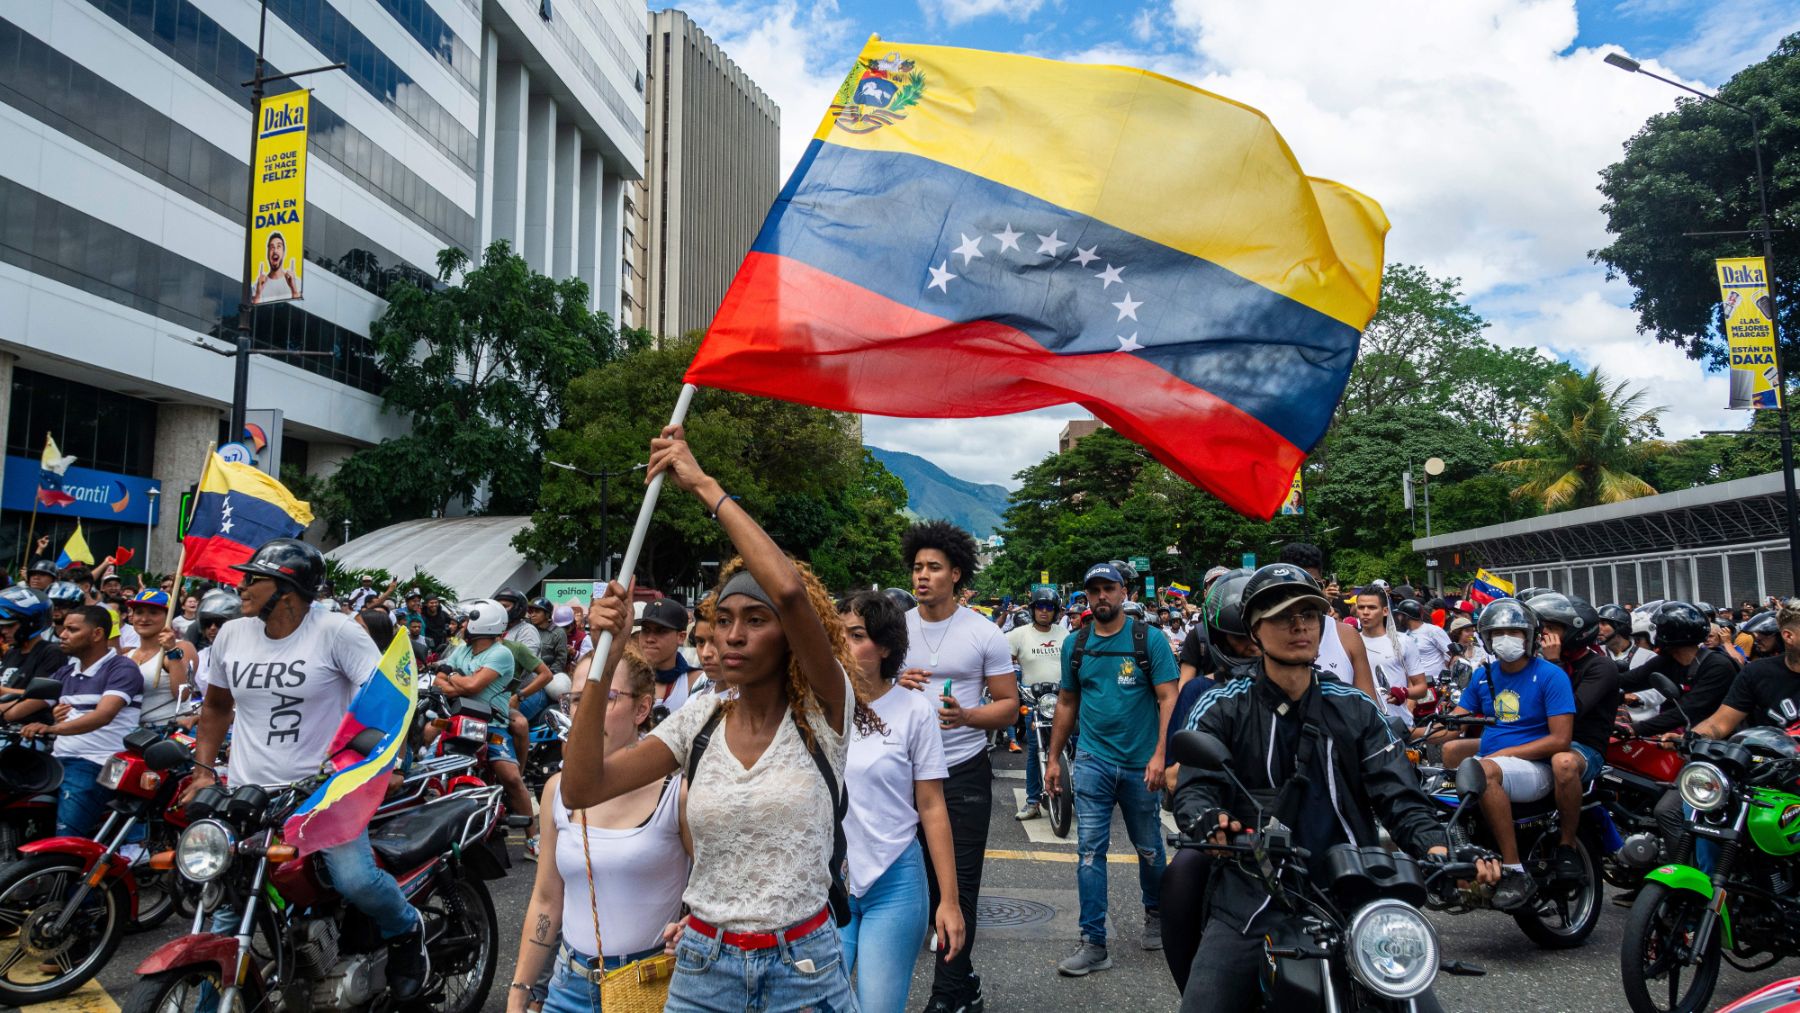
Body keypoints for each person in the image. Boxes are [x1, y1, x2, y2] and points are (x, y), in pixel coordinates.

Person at [560, 423, 874, 1013]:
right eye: (723, 618)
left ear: (789, 637)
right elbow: (582, 788)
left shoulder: (825, 711)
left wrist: (702, 484)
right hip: (702, 967)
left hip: (804, 968)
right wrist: (603, 655)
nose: (732, 635)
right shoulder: (698, 720)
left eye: (755, 620)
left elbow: (789, 592)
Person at [1173, 565, 1497, 1011]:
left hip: (1354, 891)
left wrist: (1440, 846)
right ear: (1254, 628)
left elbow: (1398, 795)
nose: (1300, 625)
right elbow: (1195, 788)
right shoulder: (1222, 705)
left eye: (1310, 613)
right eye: (1284, 615)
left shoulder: (1356, 707)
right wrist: (1207, 819)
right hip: (1252, 893)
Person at [182, 539, 430, 1000]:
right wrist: (202, 769)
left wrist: (379, 763)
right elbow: (216, 706)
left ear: (287, 590)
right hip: (248, 794)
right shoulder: (233, 634)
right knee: (225, 908)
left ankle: (404, 929)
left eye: (253, 578)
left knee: (354, 879)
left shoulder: (336, 631)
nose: (243, 586)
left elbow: (388, 699)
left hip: (323, 793)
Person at [506, 640, 690, 1013]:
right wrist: (519, 991)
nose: (584, 711)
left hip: (652, 986)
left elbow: (714, 894)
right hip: (568, 987)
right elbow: (546, 899)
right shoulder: (558, 790)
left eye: (604, 697)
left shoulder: (678, 793)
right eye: (576, 699)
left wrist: (694, 927)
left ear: (642, 708)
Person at [897, 519, 1018, 1013]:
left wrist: (967, 715)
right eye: (917, 567)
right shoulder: (895, 629)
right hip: (904, 775)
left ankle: (947, 997)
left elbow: (1009, 706)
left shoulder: (983, 632)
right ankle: (964, 982)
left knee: (959, 884)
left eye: (933, 568)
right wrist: (894, 682)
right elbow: (864, 695)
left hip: (963, 770)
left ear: (956, 575)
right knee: (921, 884)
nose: (922, 576)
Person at [1047, 561, 1179, 975]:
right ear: (1086, 596)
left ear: (1124, 593)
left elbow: (1168, 699)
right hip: (1091, 762)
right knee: (1089, 852)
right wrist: (1053, 759)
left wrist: (1161, 755)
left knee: (1149, 848)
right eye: (1094, 590)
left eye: (1109, 589)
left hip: (1142, 765)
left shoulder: (1149, 640)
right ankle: (1093, 941)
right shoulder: (1077, 644)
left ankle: (1156, 913)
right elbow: (1067, 703)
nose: (1102, 596)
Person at [838, 590, 964, 1013]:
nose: (845, 645)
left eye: (857, 635)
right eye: (837, 635)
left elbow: (931, 806)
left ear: (886, 646)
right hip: (827, 886)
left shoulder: (913, 711)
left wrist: (949, 901)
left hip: (895, 883)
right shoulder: (817, 707)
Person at [1434, 598, 1575, 910]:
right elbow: (1455, 723)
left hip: (1535, 768)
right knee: (1450, 753)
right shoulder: (1484, 675)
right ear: (1486, 638)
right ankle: (1461, 848)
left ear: (1529, 636)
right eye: (1498, 633)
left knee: (1483, 769)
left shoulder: (1552, 676)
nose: (1505, 639)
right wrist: (1410, 735)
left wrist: (1507, 752)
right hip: (1497, 763)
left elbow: (1561, 739)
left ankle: (1513, 869)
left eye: (1514, 631)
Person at [4, 605, 142, 836]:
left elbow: (102, 715)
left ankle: (66, 868)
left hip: (96, 764)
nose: (62, 634)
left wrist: (52, 728)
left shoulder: (122, 668)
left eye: (72, 629)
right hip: (57, 761)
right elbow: (15, 711)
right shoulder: (66, 672)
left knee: (66, 839)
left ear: (97, 634)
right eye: (63, 628)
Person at [436, 598, 539, 857]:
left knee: (512, 777)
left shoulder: (500, 653)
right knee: (427, 747)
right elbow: (440, 679)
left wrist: (453, 679)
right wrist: (454, 679)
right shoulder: (465, 650)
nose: (464, 625)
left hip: (492, 724)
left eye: (469, 620)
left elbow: (473, 687)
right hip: (459, 719)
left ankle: (532, 839)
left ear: (482, 624)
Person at [1528, 592, 1617, 882]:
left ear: (1576, 630)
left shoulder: (1600, 666)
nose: (1545, 634)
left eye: (1553, 628)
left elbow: (1570, 710)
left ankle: (1566, 843)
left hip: (1582, 747)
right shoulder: (1535, 663)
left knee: (1563, 763)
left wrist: (1552, 664)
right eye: (1543, 628)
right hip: (1540, 739)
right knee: (1458, 749)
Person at [1274, 543, 1377, 701]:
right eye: (1295, 584)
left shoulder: (1347, 636)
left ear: (1323, 584)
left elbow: (1370, 710)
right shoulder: (1268, 635)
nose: (1304, 592)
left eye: (1312, 583)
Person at [1625, 602, 1736, 736]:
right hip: (1688, 737)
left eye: (1658, 629)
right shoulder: (1669, 661)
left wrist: (1633, 729)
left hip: (1719, 745)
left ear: (1669, 632)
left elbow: (1687, 709)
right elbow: (1630, 680)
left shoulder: (1717, 667)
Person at [1007, 587, 1064, 820]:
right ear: (1032, 609)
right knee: (1035, 752)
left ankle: (1075, 793)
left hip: (1063, 701)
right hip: (1034, 702)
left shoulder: (1065, 635)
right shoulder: (1018, 635)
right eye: (1039, 606)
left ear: (1055, 611)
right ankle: (1032, 802)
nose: (1043, 611)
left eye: (1048, 607)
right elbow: (998, 659)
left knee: (1071, 747)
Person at [1356, 586, 1426, 725]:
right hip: (1362, 726)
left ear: (1385, 611)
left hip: (1398, 724)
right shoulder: (1351, 642)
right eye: (1361, 607)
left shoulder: (1403, 641)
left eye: (1371, 607)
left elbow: (1422, 688)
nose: (1365, 612)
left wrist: (1404, 692)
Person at [121, 590, 190, 725]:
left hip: (166, 734)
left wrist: (172, 651)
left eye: (153, 612)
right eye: (139, 612)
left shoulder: (175, 651)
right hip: (131, 735)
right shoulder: (126, 657)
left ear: (168, 617)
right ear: (131, 617)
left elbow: (183, 695)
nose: (144, 619)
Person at [639, 598, 703, 710]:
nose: (649, 639)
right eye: (645, 630)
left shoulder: (697, 682)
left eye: (661, 631)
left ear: (681, 637)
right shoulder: (626, 677)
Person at [0, 587, 67, 689]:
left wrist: (4, 693)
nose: (4, 631)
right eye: (2, 627)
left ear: (31, 623)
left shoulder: (51, 653)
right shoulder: (11, 652)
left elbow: (42, 695)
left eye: (10, 626)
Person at [252, 229, 301, 302]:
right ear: (267, 253)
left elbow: (299, 309)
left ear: (283, 252)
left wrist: (293, 289)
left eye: (278, 246)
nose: (275, 251)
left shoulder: (296, 282)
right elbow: (252, 311)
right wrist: (258, 293)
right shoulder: (257, 286)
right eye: (272, 247)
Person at [528, 597, 571, 675]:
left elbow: (560, 660)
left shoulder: (558, 633)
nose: (532, 615)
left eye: (537, 612)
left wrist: (549, 675)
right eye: (531, 612)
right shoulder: (528, 629)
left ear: (547, 614)